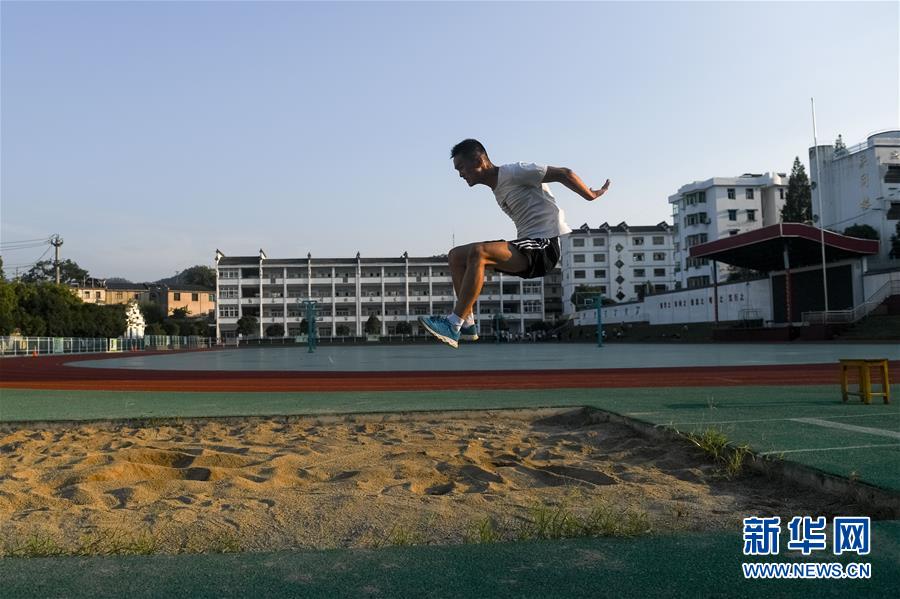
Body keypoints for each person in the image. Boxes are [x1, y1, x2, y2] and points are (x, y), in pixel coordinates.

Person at [418, 139, 610, 348]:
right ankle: (468, 323)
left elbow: (564, 173)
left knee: (479, 252)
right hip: (526, 247)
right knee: (456, 256)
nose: (460, 174)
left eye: (461, 167)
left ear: (479, 161)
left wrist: (591, 195)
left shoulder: (515, 171)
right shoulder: (497, 188)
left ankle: (453, 323)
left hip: (544, 247)